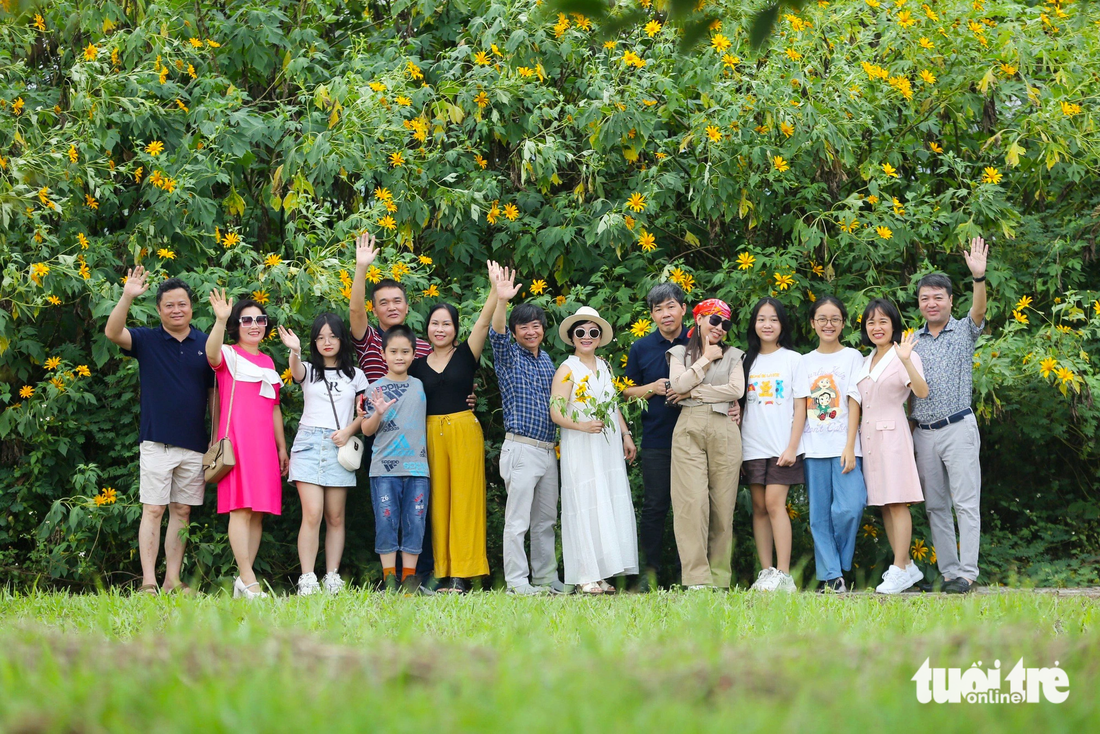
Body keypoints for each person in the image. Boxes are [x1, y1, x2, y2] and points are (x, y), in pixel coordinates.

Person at [104, 267, 215, 594]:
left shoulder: (207, 344)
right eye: (169, 305)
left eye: (182, 304)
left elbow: (213, 394)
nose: (176, 309)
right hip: (156, 441)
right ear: (159, 310)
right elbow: (113, 333)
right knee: (153, 509)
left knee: (182, 512)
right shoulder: (147, 339)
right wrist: (127, 295)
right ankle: (149, 581)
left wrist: (215, 436)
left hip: (195, 444)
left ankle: (172, 580)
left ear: (191, 307)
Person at [407, 262, 499, 593]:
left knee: (465, 501)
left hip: (463, 431)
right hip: (429, 433)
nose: (440, 329)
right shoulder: (416, 365)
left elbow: (485, 321)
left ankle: (463, 574)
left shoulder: (466, 354)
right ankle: (442, 574)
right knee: (438, 504)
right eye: (435, 323)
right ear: (427, 329)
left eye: (447, 324)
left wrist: (494, 289)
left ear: (456, 330)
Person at [911, 237, 989, 594]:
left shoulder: (963, 330)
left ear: (950, 300)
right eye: (925, 298)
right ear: (919, 303)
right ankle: (948, 573)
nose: (931, 303)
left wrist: (978, 278)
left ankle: (968, 573)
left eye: (938, 297)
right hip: (923, 432)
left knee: (965, 503)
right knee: (936, 507)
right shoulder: (912, 341)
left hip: (958, 426)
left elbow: (979, 312)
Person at [550, 306, 639, 595]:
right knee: (584, 502)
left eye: (593, 332)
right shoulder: (567, 368)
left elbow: (613, 406)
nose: (586, 337)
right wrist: (582, 425)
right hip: (580, 443)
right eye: (581, 332)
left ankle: (600, 574)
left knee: (606, 502)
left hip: (606, 444)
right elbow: (556, 412)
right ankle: (584, 573)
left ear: (600, 337)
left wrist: (625, 434)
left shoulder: (605, 366)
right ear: (572, 337)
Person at [278, 314, 369, 596]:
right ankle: (307, 577)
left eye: (332, 336)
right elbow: (295, 371)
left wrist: (349, 431)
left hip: (339, 445)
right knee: (313, 514)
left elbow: (364, 414)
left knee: (336, 517)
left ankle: (332, 577)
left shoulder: (356, 375)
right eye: (320, 337)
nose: (326, 342)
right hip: (308, 444)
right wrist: (294, 350)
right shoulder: (308, 369)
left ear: (342, 339)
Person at [206, 291, 288, 600]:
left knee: (257, 512)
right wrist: (220, 318)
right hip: (237, 442)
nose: (255, 325)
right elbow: (211, 354)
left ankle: (245, 580)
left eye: (260, 320)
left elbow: (275, 407)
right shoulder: (227, 352)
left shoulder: (268, 361)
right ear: (236, 325)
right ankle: (249, 580)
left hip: (265, 444)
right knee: (240, 509)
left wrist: (282, 448)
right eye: (247, 320)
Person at [488, 266, 565, 595]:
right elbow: (497, 334)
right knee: (517, 521)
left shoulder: (547, 359)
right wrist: (502, 301)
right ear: (516, 331)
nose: (531, 331)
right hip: (521, 448)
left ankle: (546, 579)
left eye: (536, 326)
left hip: (549, 450)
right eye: (524, 327)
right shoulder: (508, 356)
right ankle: (517, 583)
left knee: (546, 521)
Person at [667, 298, 745, 590]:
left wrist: (696, 392)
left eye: (725, 323)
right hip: (689, 427)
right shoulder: (678, 352)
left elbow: (736, 389)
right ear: (698, 319)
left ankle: (720, 578)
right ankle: (697, 578)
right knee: (692, 504)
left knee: (723, 507)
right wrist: (706, 360)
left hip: (725, 427)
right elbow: (676, 386)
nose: (720, 328)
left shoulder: (735, 355)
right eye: (714, 320)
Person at [793, 296, 867, 593]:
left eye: (834, 318)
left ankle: (837, 565)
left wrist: (849, 445)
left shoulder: (853, 357)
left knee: (851, 507)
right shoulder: (804, 362)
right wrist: (793, 447)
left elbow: (854, 401)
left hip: (846, 447)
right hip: (814, 449)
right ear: (812, 323)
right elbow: (800, 407)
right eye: (821, 318)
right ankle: (832, 577)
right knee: (819, 515)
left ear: (843, 323)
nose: (828, 324)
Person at [855, 298, 929, 595]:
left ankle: (899, 567)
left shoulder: (904, 355)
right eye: (871, 322)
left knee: (898, 500)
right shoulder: (865, 360)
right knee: (884, 502)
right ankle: (906, 565)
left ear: (894, 325)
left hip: (893, 434)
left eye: (883, 321)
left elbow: (922, 392)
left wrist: (909, 360)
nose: (877, 327)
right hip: (869, 436)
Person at [622, 283, 689, 590]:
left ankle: (688, 575)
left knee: (692, 506)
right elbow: (626, 390)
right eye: (659, 309)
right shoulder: (641, 348)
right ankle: (650, 575)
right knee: (655, 506)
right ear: (651, 314)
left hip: (695, 438)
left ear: (683, 309)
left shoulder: (698, 341)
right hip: (657, 439)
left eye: (671, 307)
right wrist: (654, 387)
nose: (665, 314)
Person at [357, 324, 432, 595]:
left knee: (416, 522)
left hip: (418, 469)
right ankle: (390, 581)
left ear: (414, 354)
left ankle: (409, 582)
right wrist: (377, 413)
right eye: (393, 352)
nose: (399, 357)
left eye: (405, 352)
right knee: (386, 523)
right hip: (383, 470)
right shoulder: (374, 389)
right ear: (383, 353)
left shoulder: (420, 385)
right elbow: (366, 430)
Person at [740, 298, 803, 593]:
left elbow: (801, 408)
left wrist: (792, 447)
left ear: (782, 325)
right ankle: (766, 572)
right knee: (758, 508)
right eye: (762, 319)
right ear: (754, 323)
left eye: (774, 319)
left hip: (782, 447)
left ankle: (784, 574)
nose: (767, 324)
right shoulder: (744, 360)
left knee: (775, 504)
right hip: (751, 445)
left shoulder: (793, 359)